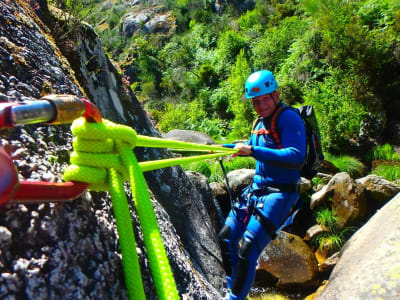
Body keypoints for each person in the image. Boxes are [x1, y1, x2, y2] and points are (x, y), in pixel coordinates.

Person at [219, 70, 306, 300]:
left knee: (248, 247)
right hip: (256, 192)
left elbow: (296, 155)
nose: (260, 105)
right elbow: (249, 146)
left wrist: (253, 151)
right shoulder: (259, 122)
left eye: (264, 98)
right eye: (255, 101)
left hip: (281, 194)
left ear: (275, 95)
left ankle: (234, 298)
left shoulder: (288, 118)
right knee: (226, 236)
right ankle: (234, 289)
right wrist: (222, 148)